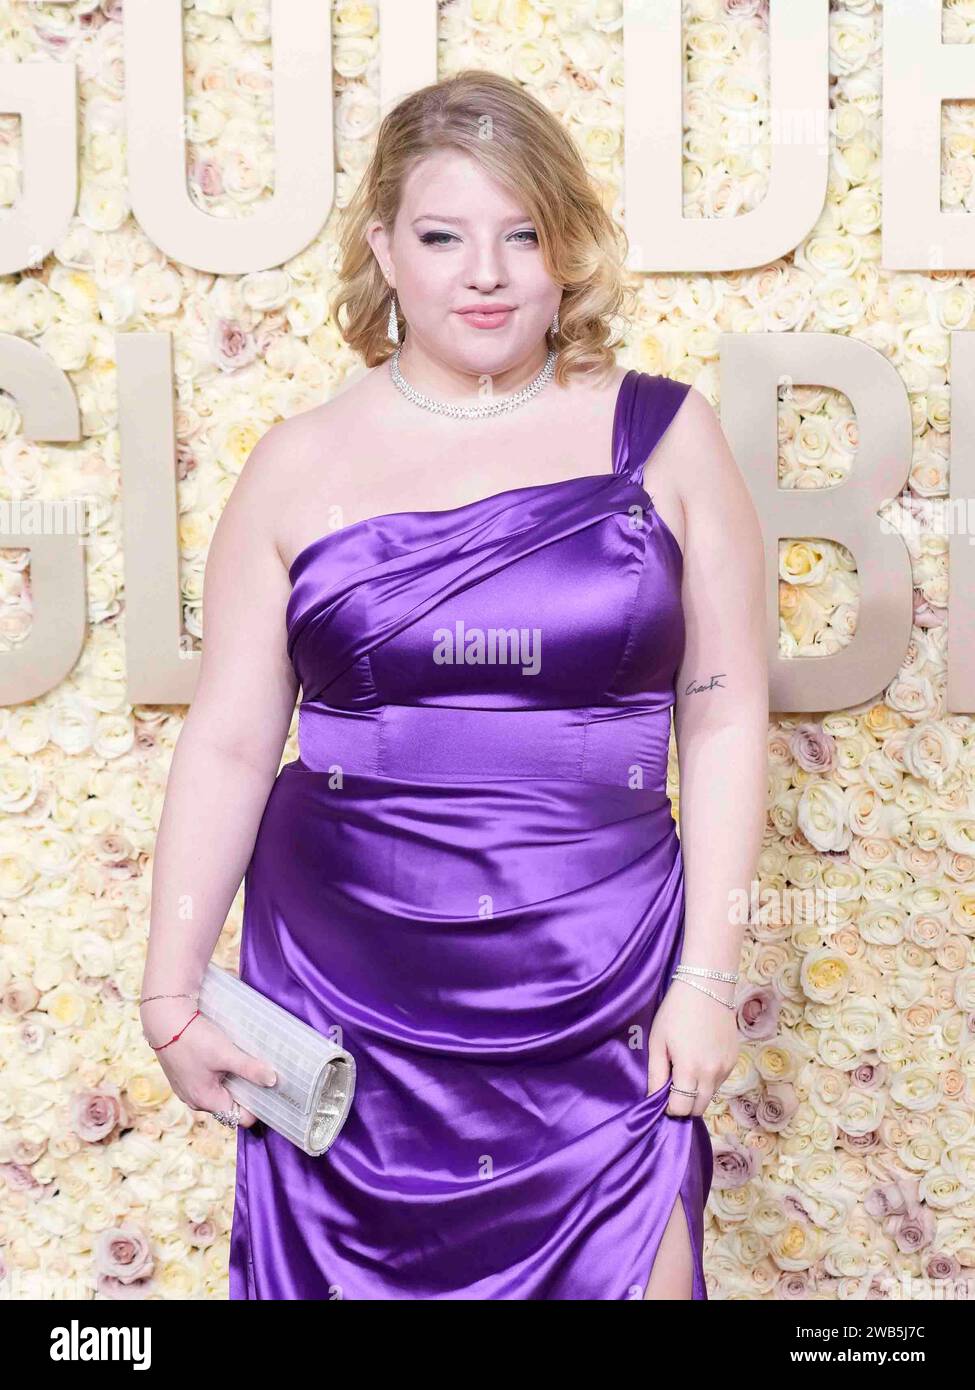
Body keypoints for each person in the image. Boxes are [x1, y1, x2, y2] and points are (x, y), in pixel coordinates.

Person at [140, 69, 768, 1301]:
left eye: (523, 232)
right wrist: (169, 991)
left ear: (568, 247)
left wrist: (709, 977)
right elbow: (226, 741)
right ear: (383, 248)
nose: (486, 272)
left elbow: (728, 709)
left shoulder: (667, 436)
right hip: (346, 986)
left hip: (604, 975)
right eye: (443, 236)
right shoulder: (298, 463)